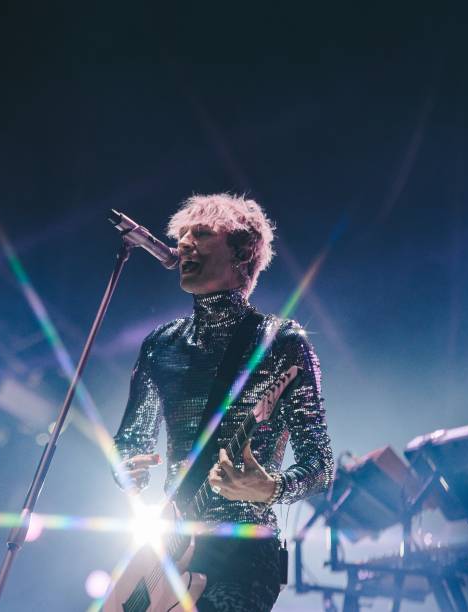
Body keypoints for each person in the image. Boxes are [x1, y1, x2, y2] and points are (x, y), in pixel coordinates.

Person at [112, 193, 333, 611]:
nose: (184, 245)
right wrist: (125, 466)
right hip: (170, 546)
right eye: (181, 236)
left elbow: (320, 465)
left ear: (242, 251)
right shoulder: (160, 346)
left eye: (202, 233)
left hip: (243, 552)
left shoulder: (280, 343)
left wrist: (272, 487)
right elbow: (129, 442)